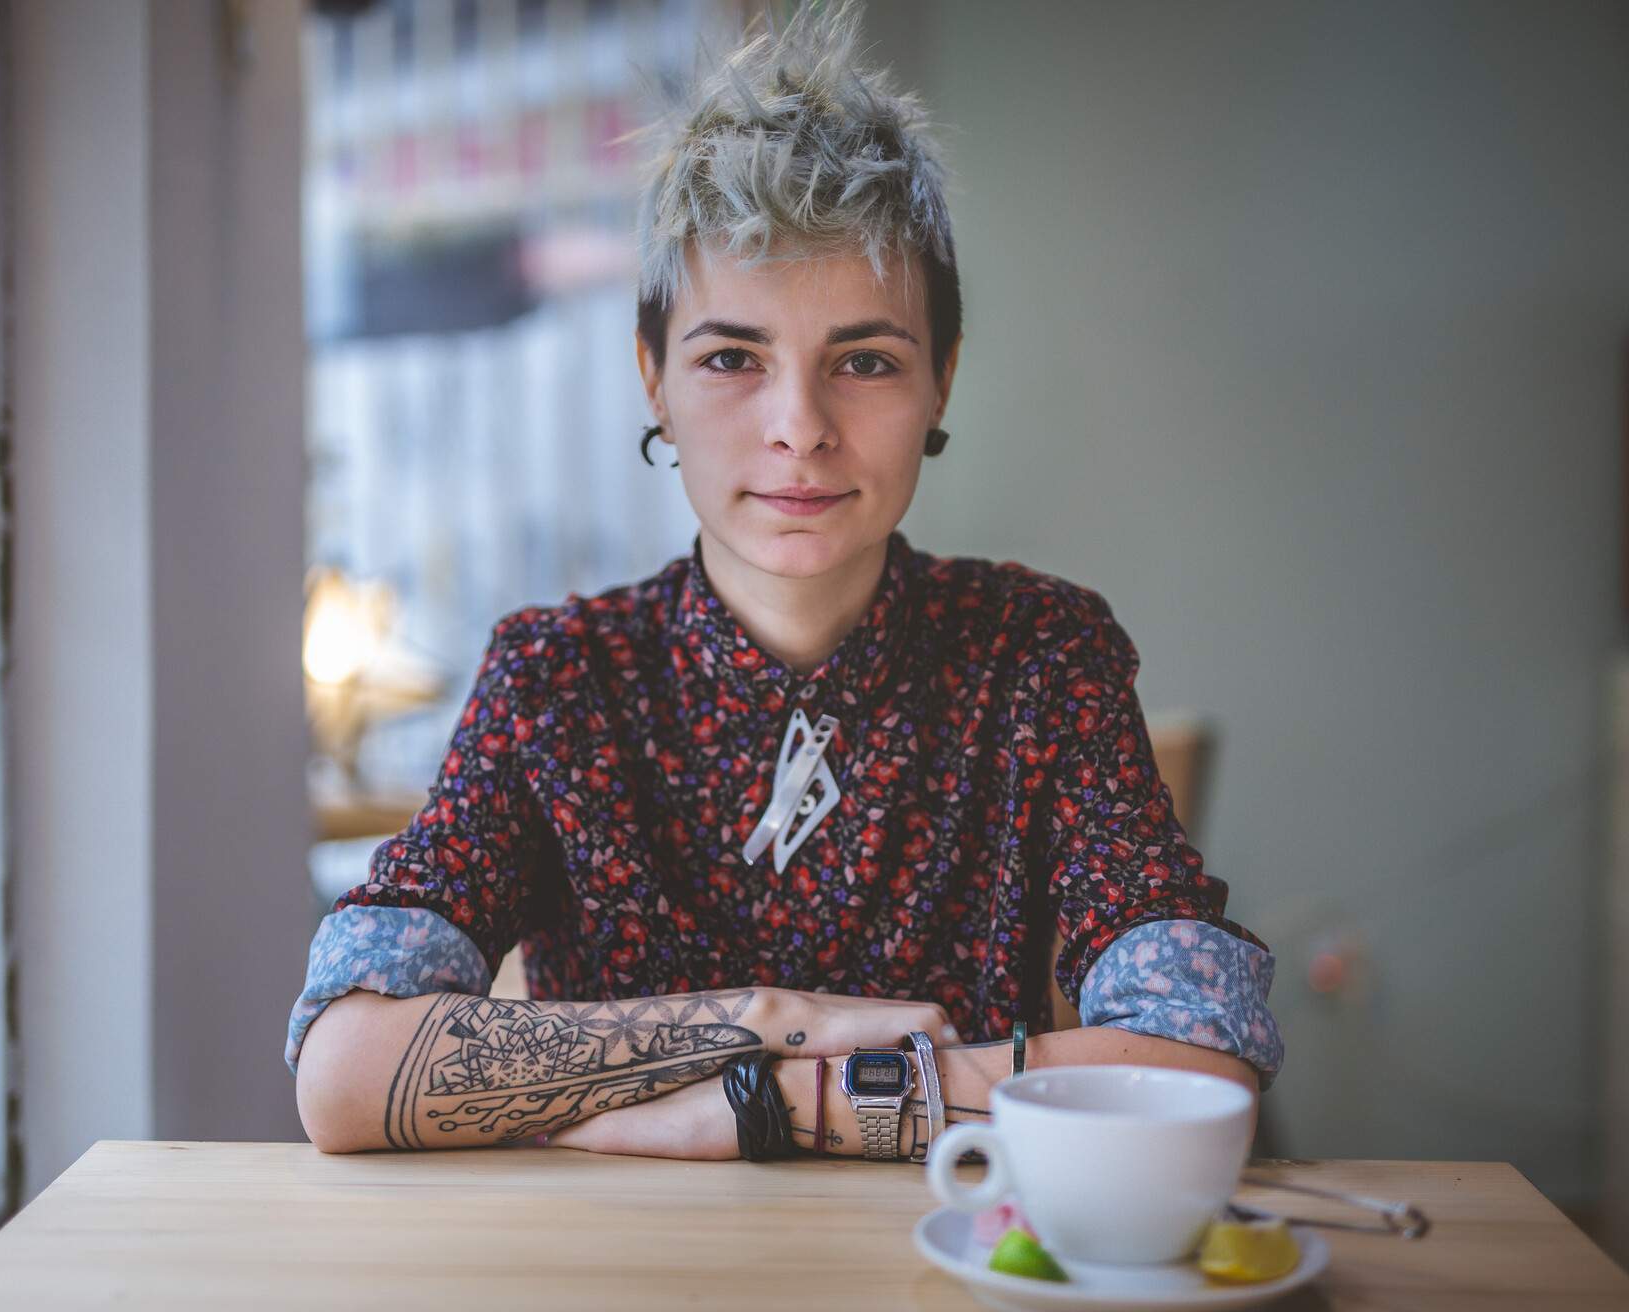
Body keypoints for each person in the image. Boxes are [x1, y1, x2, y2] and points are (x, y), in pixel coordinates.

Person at [289, 0, 1282, 1161]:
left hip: (959, 1257)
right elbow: (345, 1073)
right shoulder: (556, 676)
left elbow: (1200, 1055)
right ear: (652, 375)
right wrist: (763, 1021)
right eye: (731, 358)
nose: (799, 428)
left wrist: (770, 1105)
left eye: (864, 360)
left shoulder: (1040, 653)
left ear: (942, 381)